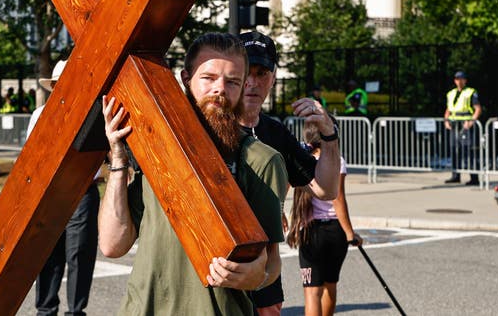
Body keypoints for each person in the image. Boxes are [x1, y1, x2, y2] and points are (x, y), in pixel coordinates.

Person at [99, 32, 287, 315]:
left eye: (232, 81)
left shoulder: (263, 161)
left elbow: (271, 262)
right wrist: (118, 157)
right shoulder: (160, 152)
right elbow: (113, 245)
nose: (220, 89)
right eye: (208, 78)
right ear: (186, 79)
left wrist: (255, 277)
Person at [237, 31, 342, 315]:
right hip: (220, 260)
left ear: (273, 78)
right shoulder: (209, 127)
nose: (252, 82)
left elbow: (326, 189)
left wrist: (329, 136)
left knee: (271, 310)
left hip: (265, 259)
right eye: (246, 70)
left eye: (262, 73)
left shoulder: (275, 132)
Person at [30, 59, 100, 316]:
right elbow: (30, 158)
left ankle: (75, 312)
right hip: (49, 193)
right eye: (59, 84)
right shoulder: (40, 115)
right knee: (47, 255)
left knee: (80, 255)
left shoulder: (91, 114)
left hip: (83, 191)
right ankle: (45, 310)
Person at [287, 124, 361, 316]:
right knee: (330, 285)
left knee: (312, 292)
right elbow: (338, 198)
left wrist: (279, 211)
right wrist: (349, 233)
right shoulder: (337, 161)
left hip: (311, 231)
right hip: (335, 230)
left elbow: (285, 183)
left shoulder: (301, 160)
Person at [444, 70, 482, 185]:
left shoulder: (470, 92)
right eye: (457, 79)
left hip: (466, 125)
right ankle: (455, 175)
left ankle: (474, 178)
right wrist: (446, 120)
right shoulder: (451, 93)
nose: (459, 81)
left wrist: (471, 122)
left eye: (461, 79)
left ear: (465, 80)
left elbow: (478, 109)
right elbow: (448, 110)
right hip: (454, 124)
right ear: (454, 81)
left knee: (468, 152)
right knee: (455, 150)